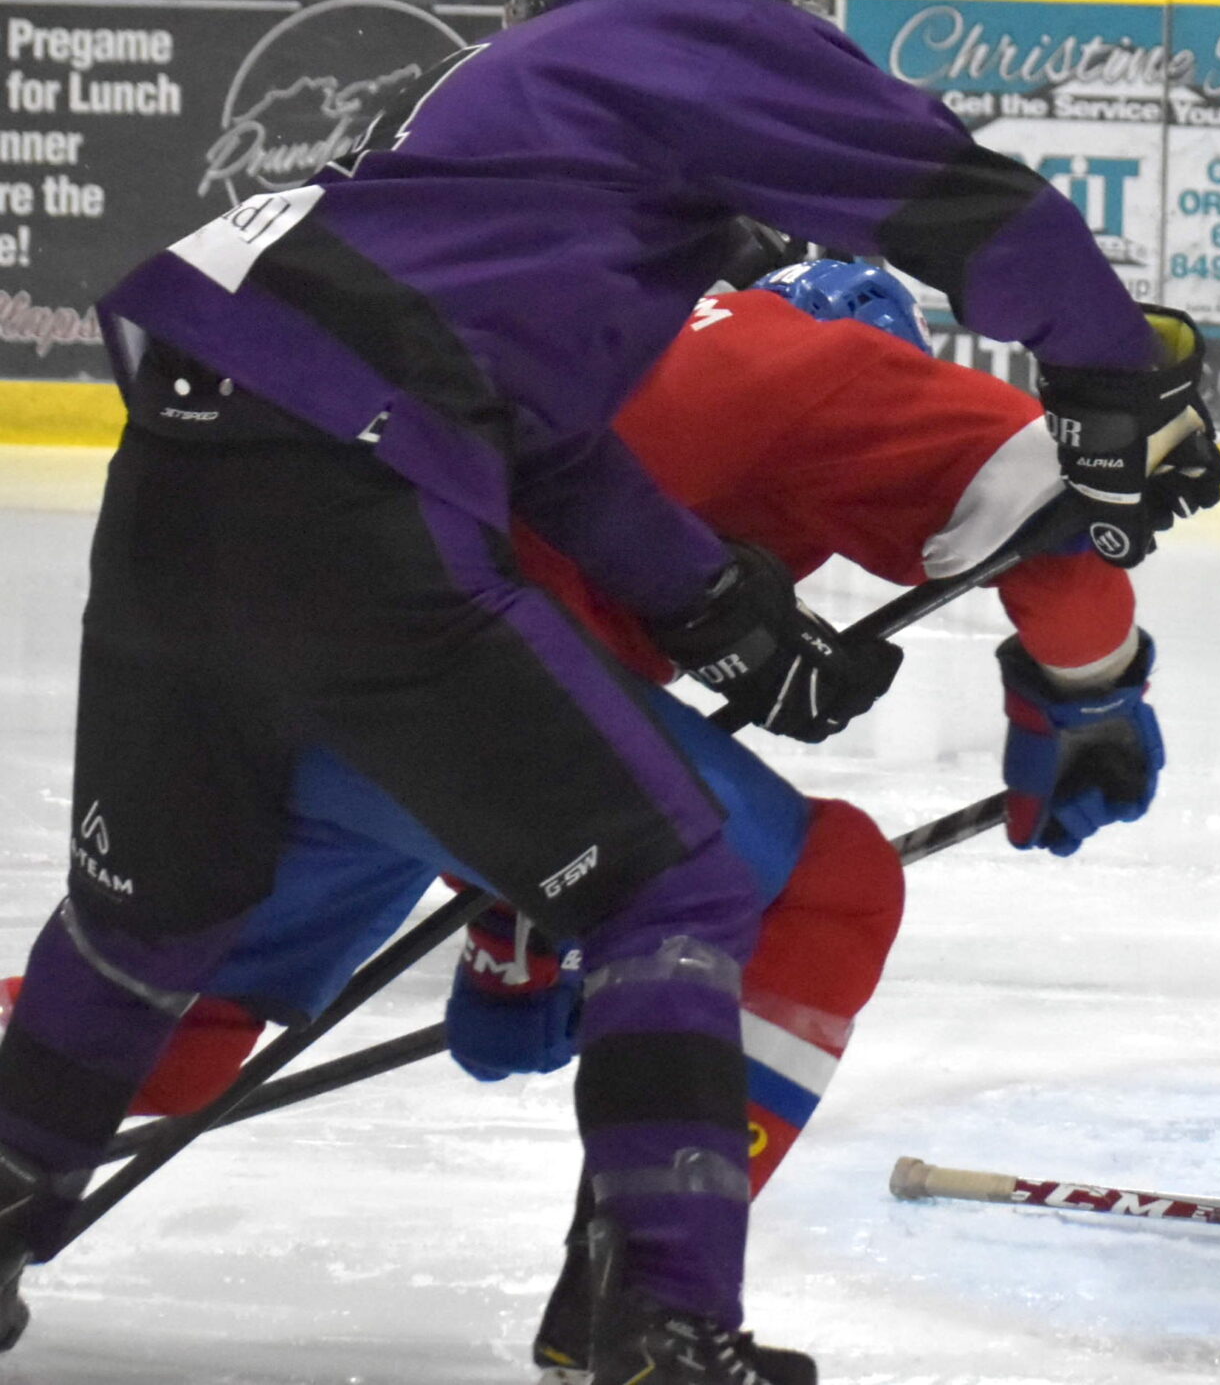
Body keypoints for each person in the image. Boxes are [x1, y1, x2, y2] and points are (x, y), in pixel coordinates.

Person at [0, 0, 1218, 1385]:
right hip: (372, 534)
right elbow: (978, 215)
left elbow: (537, 441)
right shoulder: (683, 39)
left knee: (141, 927)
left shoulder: (479, 138)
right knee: (686, 887)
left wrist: (722, 613)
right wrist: (1117, 388)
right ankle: (658, 1322)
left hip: (185, 483)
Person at [51, 260, 1162, 1384]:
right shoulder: (831, 359)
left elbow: (527, 651)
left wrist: (515, 938)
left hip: (257, 655)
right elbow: (1053, 497)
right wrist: (1087, 701)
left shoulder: (602, 335)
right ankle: (638, 1317)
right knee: (831, 886)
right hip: (443, 696)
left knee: (163, 1029)